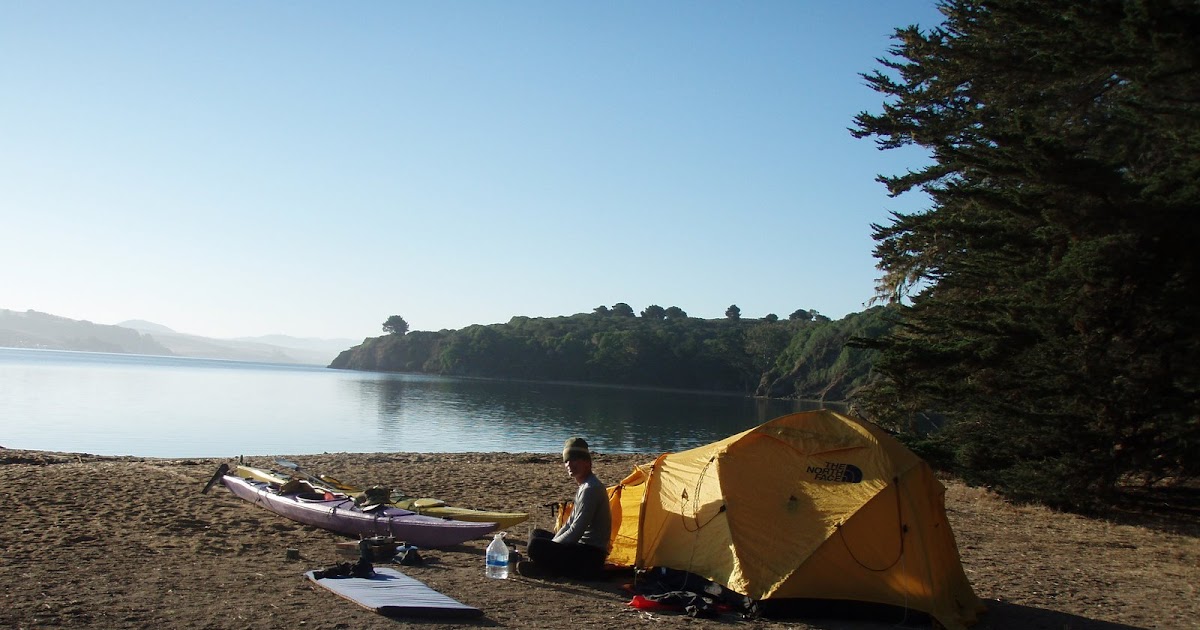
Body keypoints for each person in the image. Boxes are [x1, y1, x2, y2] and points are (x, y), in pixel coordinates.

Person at [517, 437, 611, 579]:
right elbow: (569, 524)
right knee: (537, 534)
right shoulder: (584, 486)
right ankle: (544, 568)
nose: (569, 464)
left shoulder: (591, 489)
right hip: (580, 550)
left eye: (575, 459)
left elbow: (576, 531)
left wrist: (552, 547)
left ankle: (548, 569)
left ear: (587, 462)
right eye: (566, 460)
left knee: (536, 546)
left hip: (590, 557)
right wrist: (552, 545)